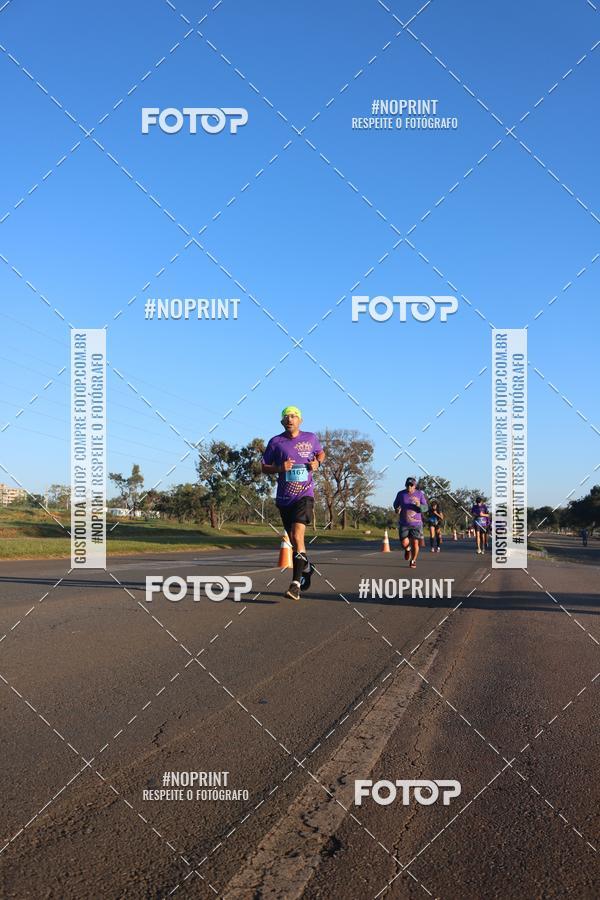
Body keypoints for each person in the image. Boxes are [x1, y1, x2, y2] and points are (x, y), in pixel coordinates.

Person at [261, 406, 325, 600]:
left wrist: (318, 463)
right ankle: (307, 567)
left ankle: (295, 585)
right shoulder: (275, 442)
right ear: (282, 421)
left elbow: (321, 453)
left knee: (298, 536)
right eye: (286, 417)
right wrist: (280, 468)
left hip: (304, 496)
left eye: (293, 416)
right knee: (296, 543)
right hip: (284, 499)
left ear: (300, 420)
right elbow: (264, 467)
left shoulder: (310, 438)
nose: (290, 419)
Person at [393, 477, 428, 569]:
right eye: (408, 485)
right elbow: (395, 505)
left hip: (416, 524)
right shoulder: (401, 494)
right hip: (404, 523)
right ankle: (407, 549)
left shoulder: (420, 494)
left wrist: (419, 505)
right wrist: (397, 509)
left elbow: (425, 508)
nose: (409, 487)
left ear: (414, 486)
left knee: (415, 543)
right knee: (404, 543)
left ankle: (413, 560)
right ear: (405, 485)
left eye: (411, 485)